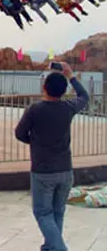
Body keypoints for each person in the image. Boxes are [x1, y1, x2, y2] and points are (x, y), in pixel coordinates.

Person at [15, 62, 89, 251]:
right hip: (65, 169)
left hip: (43, 171)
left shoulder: (35, 109)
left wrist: (36, 142)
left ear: (44, 87)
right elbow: (84, 96)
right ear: (64, 91)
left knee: (42, 212)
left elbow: (20, 133)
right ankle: (51, 247)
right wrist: (70, 75)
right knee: (57, 212)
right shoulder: (68, 107)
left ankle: (59, 248)